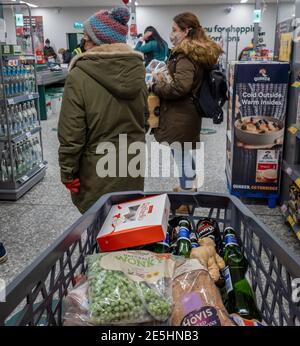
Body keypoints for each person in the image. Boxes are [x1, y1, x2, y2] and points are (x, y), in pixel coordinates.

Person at [58, 6, 148, 214]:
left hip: (96, 169)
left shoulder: (79, 75)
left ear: (97, 42)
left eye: (86, 39)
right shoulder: (137, 71)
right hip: (132, 164)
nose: (84, 44)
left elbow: (72, 134)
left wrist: (68, 173)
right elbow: (144, 119)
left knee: (99, 226)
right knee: (125, 222)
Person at [151, 12, 223, 194]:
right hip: (188, 112)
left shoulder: (185, 54)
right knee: (183, 152)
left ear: (186, 31)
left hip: (180, 114)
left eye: (174, 29)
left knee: (181, 155)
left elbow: (179, 87)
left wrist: (156, 86)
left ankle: (187, 196)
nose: (171, 33)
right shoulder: (195, 52)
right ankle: (189, 187)